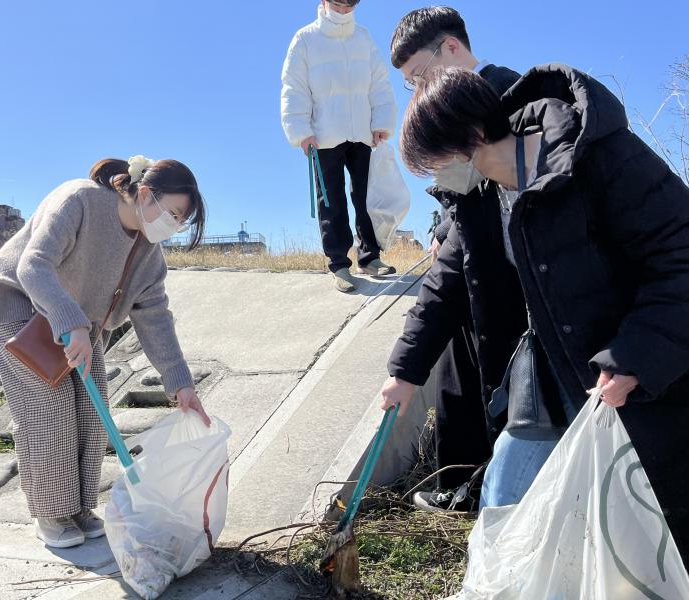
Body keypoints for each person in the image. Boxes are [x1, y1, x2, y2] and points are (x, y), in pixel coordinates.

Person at [379, 64, 689, 564]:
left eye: (436, 161)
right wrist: (404, 372)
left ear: (475, 135)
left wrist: (634, 357)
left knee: (638, 533)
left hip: (634, 384)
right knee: (504, 499)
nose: (435, 179)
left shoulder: (597, 157)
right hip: (542, 378)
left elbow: (680, 257)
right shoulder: (476, 200)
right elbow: (443, 288)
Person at [0, 156, 212, 549]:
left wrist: (181, 385)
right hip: (19, 304)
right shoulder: (80, 200)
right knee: (48, 409)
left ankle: (80, 507)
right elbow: (33, 266)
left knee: (91, 411)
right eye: (170, 212)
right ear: (143, 192)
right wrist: (71, 324)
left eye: (179, 219)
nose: (171, 224)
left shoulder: (149, 256)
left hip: (79, 325)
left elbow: (155, 318)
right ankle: (51, 512)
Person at [389, 6, 520, 510]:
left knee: (507, 390)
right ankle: (463, 485)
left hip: (507, 273)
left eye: (420, 74)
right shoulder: (448, 115)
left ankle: (490, 490)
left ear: (452, 48)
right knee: (458, 379)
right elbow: (459, 197)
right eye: (410, 85)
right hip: (471, 264)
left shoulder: (507, 93)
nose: (418, 89)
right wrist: (442, 230)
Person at [281, 0, 397, 293]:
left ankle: (370, 257)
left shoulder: (363, 37)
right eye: (338, 4)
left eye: (350, 5)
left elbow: (379, 82)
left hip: (363, 131)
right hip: (323, 134)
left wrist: (381, 121)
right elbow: (294, 87)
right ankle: (339, 264)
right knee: (330, 199)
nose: (344, 10)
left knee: (366, 195)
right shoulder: (305, 38)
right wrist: (301, 132)